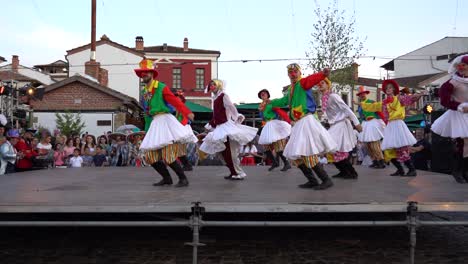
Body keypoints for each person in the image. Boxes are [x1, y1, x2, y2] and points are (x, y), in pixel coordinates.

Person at [267, 63, 336, 190]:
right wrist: (271, 102)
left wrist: (322, 74)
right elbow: (284, 101)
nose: (293, 74)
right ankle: (312, 180)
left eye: (295, 72)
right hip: (298, 124)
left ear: (299, 73)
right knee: (295, 155)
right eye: (290, 72)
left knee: (307, 152)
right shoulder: (291, 89)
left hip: (306, 121)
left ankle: (326, 179)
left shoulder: (303, 83)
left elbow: (311, 79)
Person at [135, 59, 194, 187]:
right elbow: (147, 113)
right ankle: (167, 178)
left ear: (152, 74)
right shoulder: (144, 92)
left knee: (168, 155)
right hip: (155, 123)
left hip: (166, 122)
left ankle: (183, 179)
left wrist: (187, 112)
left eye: (145, 73)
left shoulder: (161, 87)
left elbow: (175, 101)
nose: (143, 75)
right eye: (141, 73)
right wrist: (147, 129)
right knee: (150, 156)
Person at [361, 80, 425, 177]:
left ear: (394, 89)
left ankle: (412, 170)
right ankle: (400, 170)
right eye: (386, 88)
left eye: (390, 88)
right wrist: (363, 103)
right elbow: (373, 106)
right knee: (388, 150)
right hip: (390, 126)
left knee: (401, 148)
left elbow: (409, 98)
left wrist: (419, 95)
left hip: (398, 124)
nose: (388, 89)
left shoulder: (399, 99)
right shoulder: (384, 102)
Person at [200, 79, 258, 180]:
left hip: (226, 127)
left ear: (218, 85)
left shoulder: (223, 96)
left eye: (214, 84)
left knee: (229, 152)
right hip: (219, 127)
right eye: (211, 85)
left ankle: (238, 173)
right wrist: (211, 124)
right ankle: (233, 172)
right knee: (221, 152)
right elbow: (217, 114)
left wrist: (236, 117)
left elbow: (231, 107)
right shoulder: (215, 98)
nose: (212, 86)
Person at [431, 55, 468, 183]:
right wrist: (460, 106)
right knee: (463, 143)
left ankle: (464, 171)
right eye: (460, 66)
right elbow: (444, 100)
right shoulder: (452, 82)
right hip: (459, 115)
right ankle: (458, 171)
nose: (462, 68)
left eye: (465, 66)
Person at [318, 78, 362, 179]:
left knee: (332, 147)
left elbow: (346, 108)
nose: (320, 85)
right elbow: (327, 115)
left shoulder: (333, 96)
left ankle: (352, 172)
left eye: (323, 83)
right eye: (318, 83)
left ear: (328, 85)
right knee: (332, 149)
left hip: (341, 125)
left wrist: (356, 123)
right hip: (334, 125)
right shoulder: (324, 98)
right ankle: (343, 171)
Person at [257, 89, 292, 171]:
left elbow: (278, 112)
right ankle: (274, 162)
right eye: (261, 94)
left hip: (274, 123)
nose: (263, 95)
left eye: (264, 93)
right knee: (265, 146)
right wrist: (261, 111)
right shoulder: (261, 106)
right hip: (267, 125)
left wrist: (282, 121)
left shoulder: (271, 103)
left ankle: (286, 163)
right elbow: (263, 117)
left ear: (267, 95)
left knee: (278, 145)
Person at [356, 86, 386, 169]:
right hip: (365, 124)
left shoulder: (371, 102)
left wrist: (383, 121)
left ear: (366, 94)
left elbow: (379, 112)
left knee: (374, 144)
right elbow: (361, 117)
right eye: (360, 94)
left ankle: (381, 161)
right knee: (367, 145)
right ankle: (375, 161)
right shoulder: (359, 107)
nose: (362, 95)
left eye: (363, 93)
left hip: (373, 123)